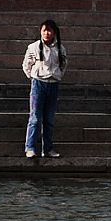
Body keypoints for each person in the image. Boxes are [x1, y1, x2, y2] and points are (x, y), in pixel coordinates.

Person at [22, 19, 67, 159]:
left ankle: (47, 149)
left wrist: (56, 76)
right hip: (38, 84)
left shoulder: (60, 48)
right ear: (40, 32)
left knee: (49, 119)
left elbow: (63, 65)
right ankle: (30, 148)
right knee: (35, 118)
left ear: (54, 32)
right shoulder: (33, 47)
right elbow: (26, 65)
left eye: (49, 30)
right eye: (44, 30)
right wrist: (34, 77)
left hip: (53, 84)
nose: (47, 33)